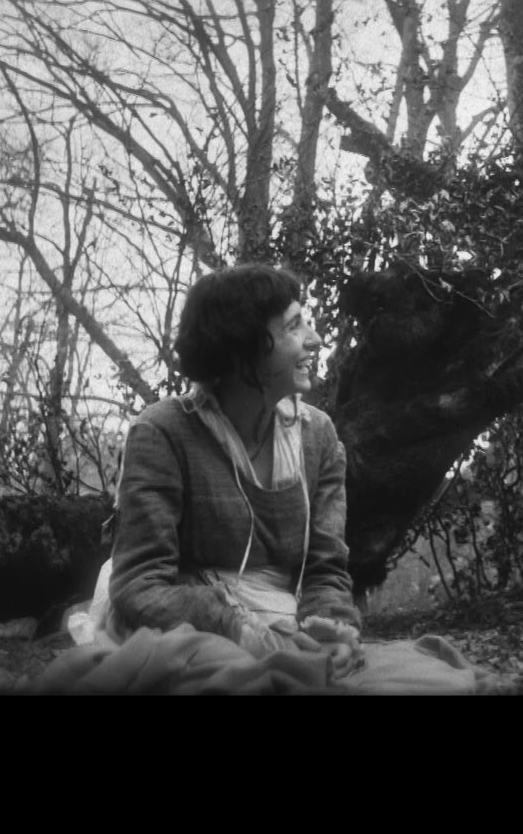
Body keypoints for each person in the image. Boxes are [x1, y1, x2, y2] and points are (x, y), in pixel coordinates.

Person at [46, 263, 482, 693]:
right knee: (231, 677)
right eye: (294, 326)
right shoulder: (162, 432)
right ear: (245, 349)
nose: (314, 339)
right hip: (182, 630)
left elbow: (326, 569)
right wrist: (239, 630)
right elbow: (140, 586)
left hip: (283, 623)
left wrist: (330, 628)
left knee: (417, 684)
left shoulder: (318, 437)